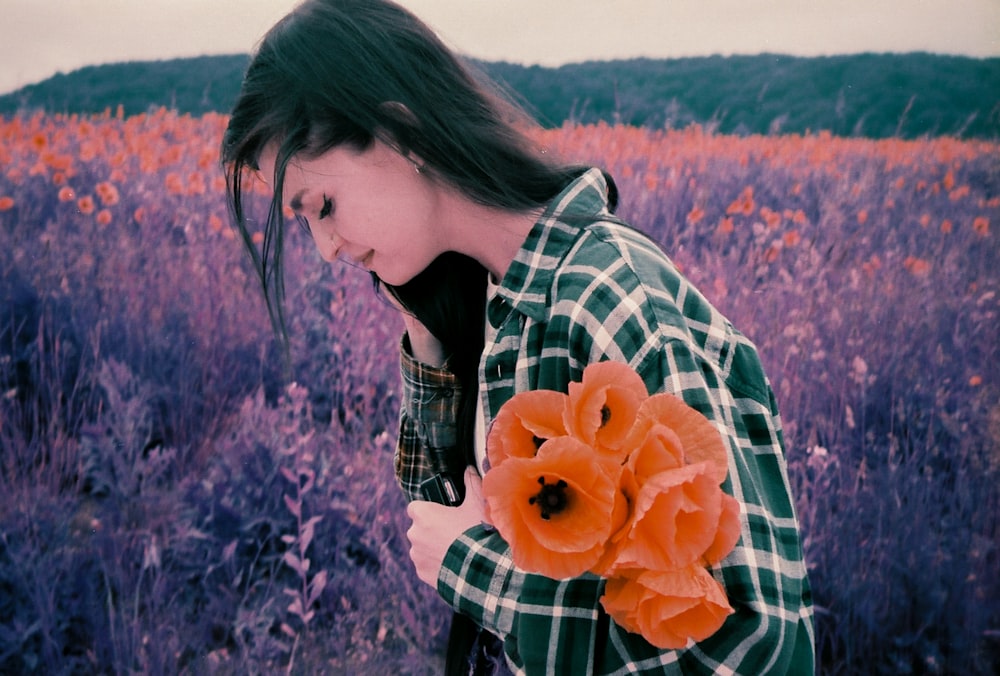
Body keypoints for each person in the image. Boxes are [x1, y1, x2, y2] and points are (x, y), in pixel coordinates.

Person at [221, 1, 815, 673]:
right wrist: (428, 336)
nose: (324, 248)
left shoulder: (609, 296)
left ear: (401, 133)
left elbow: (752, 648)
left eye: (321, 207)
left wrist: (480, 574)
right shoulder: (488, 294)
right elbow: (445, 511)